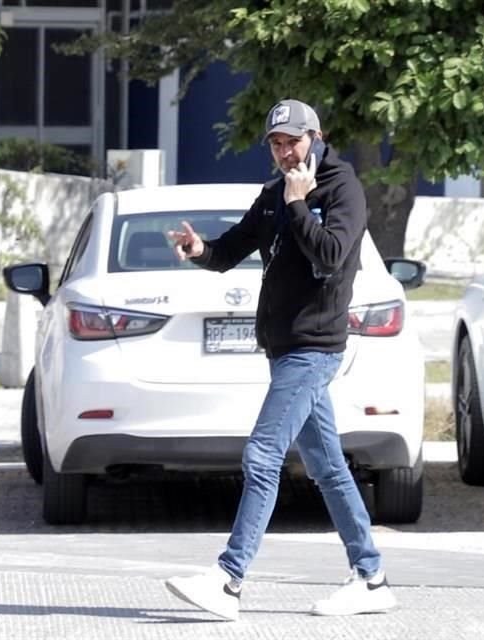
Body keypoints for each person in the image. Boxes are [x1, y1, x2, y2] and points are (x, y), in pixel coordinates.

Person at [163, 99, 396, 621]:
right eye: (275, 143)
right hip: (284, 347)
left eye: (292, 141)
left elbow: (332, 256)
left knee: (263, 455)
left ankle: (228, 580)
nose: (284, 151)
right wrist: (199, 249)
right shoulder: (273, 195)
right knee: (328, 466)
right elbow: (228, 252)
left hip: (314, 349)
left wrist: (299, 203)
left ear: (316, 136)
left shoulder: (341, 188)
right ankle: (371, 576)